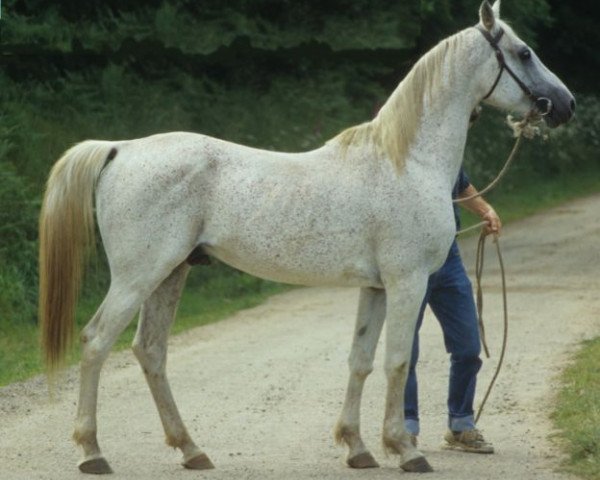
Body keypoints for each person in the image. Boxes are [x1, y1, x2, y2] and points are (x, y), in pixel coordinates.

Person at [404, 167, 501, 454]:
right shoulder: (399, 144)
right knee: (406, 348)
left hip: (448, 257)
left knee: (468, 345)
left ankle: (460, 425)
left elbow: (460, 185)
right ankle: (405, 427)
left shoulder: (442, 150)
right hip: (408, 260)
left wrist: (486, 210)